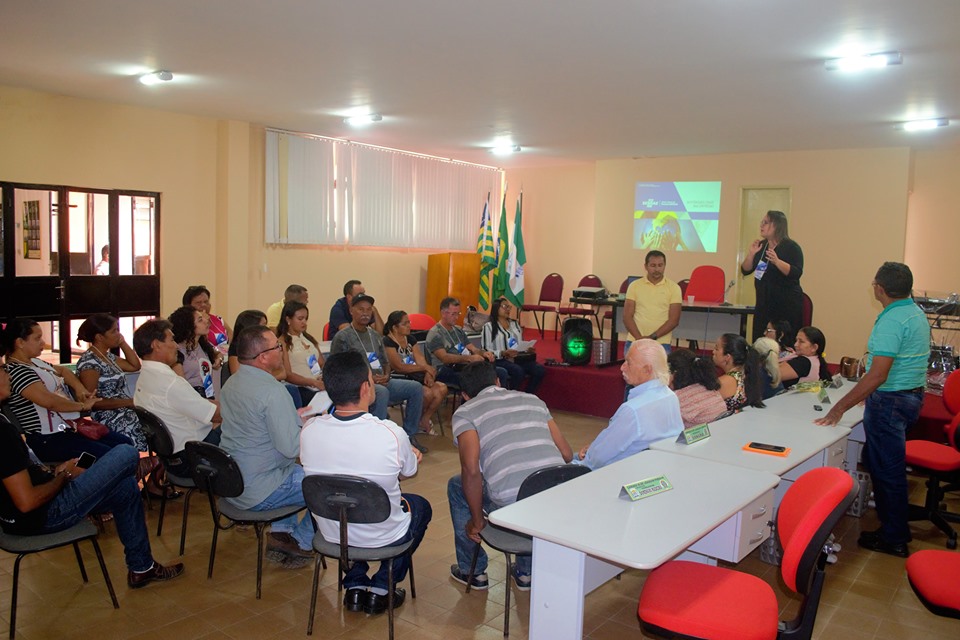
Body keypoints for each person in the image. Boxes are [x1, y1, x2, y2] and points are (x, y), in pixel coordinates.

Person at [0, 368, 184, 589]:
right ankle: (141, 470)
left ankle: (141, 568)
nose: (8, 374)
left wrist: (57, 473)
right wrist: (65, 477)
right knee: (126, 452)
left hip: (38, 504)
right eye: (2, 370)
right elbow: (27, 502)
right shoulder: (3, 433)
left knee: (125, 488)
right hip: (47, 514)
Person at [300, 351, 431, 614]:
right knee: (421, 507)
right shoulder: (391, 433)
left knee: (345, 505)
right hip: (383, 535)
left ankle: (355, 586)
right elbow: (406, 473)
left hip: (334, 534)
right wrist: (411, 455)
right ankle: (383, 586)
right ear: (365, 387)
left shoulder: (308, 430)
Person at [815, 262, 930, 558]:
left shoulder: (892, 321)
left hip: (891, 402)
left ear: (880, 289)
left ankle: (894, 537)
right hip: (911, 397)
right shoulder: (915, 312)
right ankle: (893, 527)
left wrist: (839, 408)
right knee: (881, 463)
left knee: (888, 471)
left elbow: (878, 374)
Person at [447, 361, 572, 591]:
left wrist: (477, 522)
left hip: (515, 505)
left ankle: (472, 571)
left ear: (465, 395)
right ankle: (527, 572)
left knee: (457, 485)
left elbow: (471, 470)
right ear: (497, 382)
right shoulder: (534, 400)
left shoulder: (466, 412)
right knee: (532, 483)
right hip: (558, 498)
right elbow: (566, 454)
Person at [220, 325, 316, 567]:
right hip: (261, 489)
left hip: (234, 481)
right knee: (330, 484)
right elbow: (292, 449)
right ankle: (301, 541)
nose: (281, 350)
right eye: (277, 347)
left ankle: (281, 533)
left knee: (295, 473)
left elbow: (257, 428)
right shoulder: (273, 392)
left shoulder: (232, 383)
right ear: (263, 357)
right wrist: (309, 427)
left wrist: (291, 418)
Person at [2, 318, 132, 462]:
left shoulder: (35, 363)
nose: (43, 343)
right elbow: (49, 401)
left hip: (68, 428)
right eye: (37, 338)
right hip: (48, 438)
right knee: (111, 456)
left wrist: (81, 391)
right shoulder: (16, 371)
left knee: (124, 444)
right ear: (20, 342)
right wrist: (82, 406)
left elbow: (64, 371)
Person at [330, 294, 427, 453]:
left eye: (369, 310)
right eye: (361, 309)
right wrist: (365, 380)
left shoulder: (375, 335)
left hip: (382, 381)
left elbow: (385, 362)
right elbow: (337, 367)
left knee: (415, 388)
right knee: (381, 392)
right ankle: (377, 441)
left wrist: (387, 374)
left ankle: (409, 436)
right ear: (351, 311)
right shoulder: (343, 337)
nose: (365, 313)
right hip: (358, 386)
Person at [574, 340, 684, 469]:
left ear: (647, 370)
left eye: (628, 363)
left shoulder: (633, 410)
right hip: (653, 468)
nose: (622, 367)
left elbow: (596, 459)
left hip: (614, 473)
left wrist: (586, 457)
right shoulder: (670, 396)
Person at [132, 319, 221, 478]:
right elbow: (216, 414)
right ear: (156, 345)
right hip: (193, 458)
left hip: (171, 459)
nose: (176, 345)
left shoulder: (145, 377)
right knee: (243, 421)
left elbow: (195, 403)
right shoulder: (170, 383)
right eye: (171, 340)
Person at [75, 314, 145, 451]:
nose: (118, 334)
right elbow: (93, 402)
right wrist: (129, 402)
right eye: (114, 331)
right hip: (108, 415)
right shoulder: (90, 363)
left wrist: (123, 343)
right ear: (99, 337)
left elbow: (135, 365)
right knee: (140, 424)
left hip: (123, 408)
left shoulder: (107, 356)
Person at [741, 211, 804, 342]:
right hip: (763, 305)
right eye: (761, 222)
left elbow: (796, 272)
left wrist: (777, 261)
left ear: (777, 225)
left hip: (785, 305)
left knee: (783, 343)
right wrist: (752, 254)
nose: (761, 226)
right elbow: (745, 270)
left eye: (765, 222)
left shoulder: (791, 247)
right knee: (760, 342)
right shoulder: (762, 246)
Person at [382, 310, 448, 435]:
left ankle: (424, 419)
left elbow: (421, 360)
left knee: (442, 388)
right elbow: (399, 366)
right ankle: (415, 420)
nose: (409, 326)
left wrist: (428, 372)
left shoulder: (411, 339)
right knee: (428, 393)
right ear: (395, 327)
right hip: (401, 377)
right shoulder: (387, 342)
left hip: (417, 375)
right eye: (405, 323)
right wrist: (425, 369)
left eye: (409, 322)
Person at [425, 297, 508, 388]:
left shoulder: (458, 330)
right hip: (444, 370)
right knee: (477, 379)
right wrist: (469, 358)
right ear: (443, 313)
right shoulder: (435, 333)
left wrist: (484, 353)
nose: (457, 317)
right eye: (453, 314)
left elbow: (472, 348)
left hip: (462, 366)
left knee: (500, 373)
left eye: (458, 313)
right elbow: (444, 358)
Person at [480, 297, 545, 394]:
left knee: (539, 370)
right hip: (501, 360)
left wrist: (527, 348)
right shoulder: (488, 327)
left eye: (509, 307)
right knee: (518, 371)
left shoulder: (514, 324)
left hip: (518, 357)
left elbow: (520, 342)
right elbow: (485, 349)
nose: (508, 309)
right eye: (505, 307)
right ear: (496, 308)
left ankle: (527, 394)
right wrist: (502, 353)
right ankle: (510, 396)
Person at [623, 250, 682, 350]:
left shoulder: (674, 288)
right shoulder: (634, 286)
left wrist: (652, 337)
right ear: (645, 266)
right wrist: (639, 339)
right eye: (653, 265)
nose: (657, 269)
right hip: (635, 341)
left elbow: (674, 320)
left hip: (661, 343)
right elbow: (627, 317)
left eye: (660, 265)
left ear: (665, 266)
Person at [276, 301, 325, 405]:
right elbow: (287, 374)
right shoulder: (282, 342)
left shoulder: (309, 339)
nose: (304, 322)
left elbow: (321, 364)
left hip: (316, 384)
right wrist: (311, 382)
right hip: (299, 388)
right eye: (300, 319)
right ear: (288, 319)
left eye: (306, 319)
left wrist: (322, 377)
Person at [168, 305, 222, 399]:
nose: (206, 321)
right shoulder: (177, 351)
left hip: (208, 394)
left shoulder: (202, 344)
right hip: (191, 398)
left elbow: (217, 353)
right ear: (188, 326)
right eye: (200, 320)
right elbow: (181, 387)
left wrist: (219, 359)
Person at [667, 349, 726, 428]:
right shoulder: (707, 388)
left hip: (692, 438)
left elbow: (665, 425)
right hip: (717, 432)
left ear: (675, 373)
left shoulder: (680, 397)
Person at [712, 333, 765, 411]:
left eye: (716, 349)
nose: (713, 352)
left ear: (727, 357)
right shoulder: (745, 375)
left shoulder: (725, 382)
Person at [183, 285, 232, 356]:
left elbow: (233, 340)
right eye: (198, 303)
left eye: (206, 301)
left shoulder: (218, 320)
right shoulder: (187, 324)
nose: (203, 305)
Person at [778, 325, 831, 389]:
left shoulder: (803, 362)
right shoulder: (816, 360)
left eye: (801, 341)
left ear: (814, 347)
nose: (795, 344)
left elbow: (772, 375)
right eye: (796, 340)